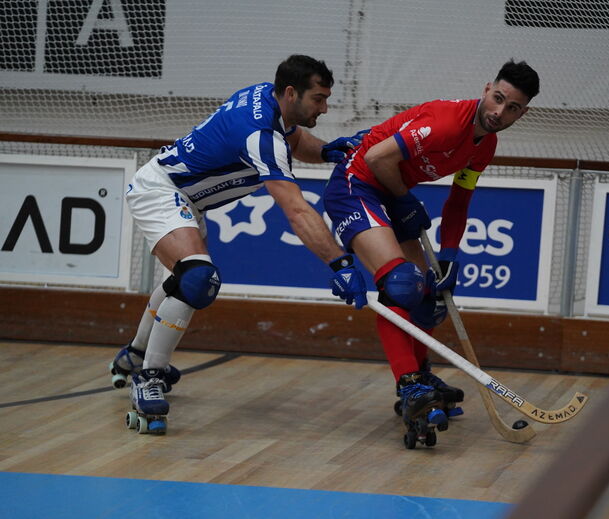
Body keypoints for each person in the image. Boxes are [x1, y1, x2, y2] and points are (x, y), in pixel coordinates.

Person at [110, 54, 368, 434]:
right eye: (319, 99)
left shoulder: (267, 98)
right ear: (291, 93)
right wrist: (340, 263)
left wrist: (326, 151)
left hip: (187, 199)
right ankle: (148, 377)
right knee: (197, 279)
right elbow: (296, 210)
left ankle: (134, 354)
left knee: (183, 281)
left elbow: (294, 138)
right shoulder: (259, 135)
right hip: (160, 190)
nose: (325, 108)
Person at [323, 59, 539, 444]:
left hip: (391, 193)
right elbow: (376, 158)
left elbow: (459, 200)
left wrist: (450, 253)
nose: (498, 112)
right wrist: (405, 200)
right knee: (400, 284)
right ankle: (410, 387)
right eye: (497, 98)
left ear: (522, 113)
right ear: (486, 89)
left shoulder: (485, 145)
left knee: (430, 297)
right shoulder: (447, 123)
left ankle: (421, 376)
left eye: (512, 108)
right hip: (356, 186)